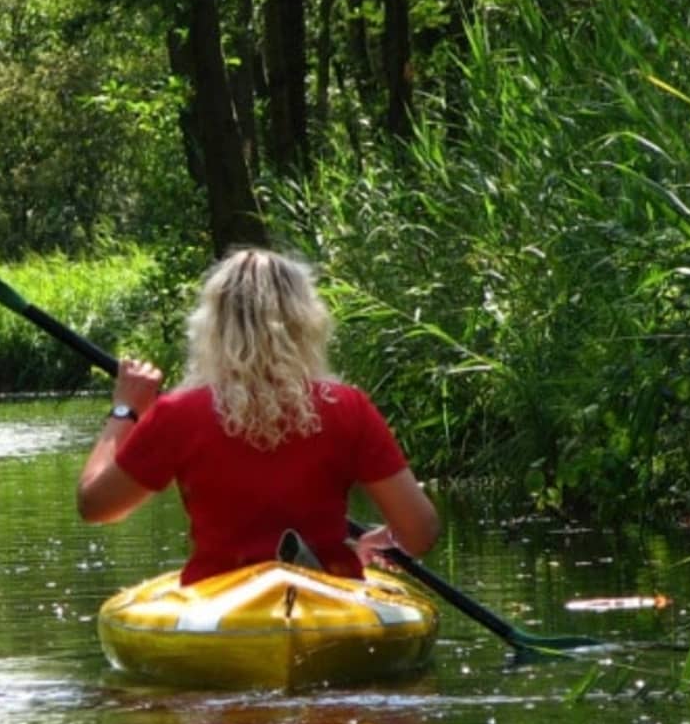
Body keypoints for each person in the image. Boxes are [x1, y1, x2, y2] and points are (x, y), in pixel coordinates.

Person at [77, 247, 439, 583]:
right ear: (306, 322)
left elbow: (96, 506)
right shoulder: (348, 407)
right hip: (328, 593)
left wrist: (126, 409)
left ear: (212, 327)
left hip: (219, 601)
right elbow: (420, 534)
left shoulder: (178, 413)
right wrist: (389, 536)